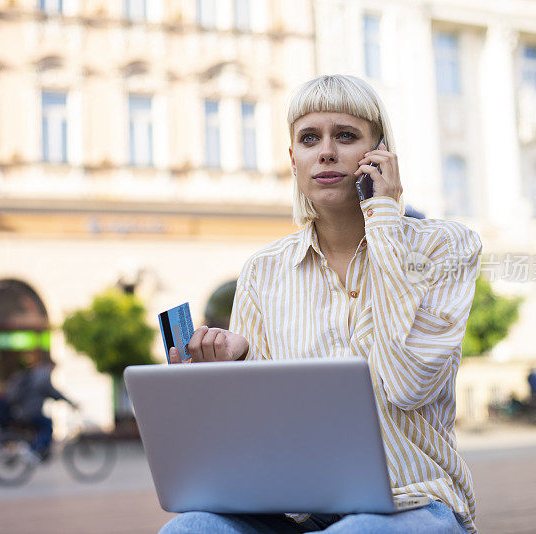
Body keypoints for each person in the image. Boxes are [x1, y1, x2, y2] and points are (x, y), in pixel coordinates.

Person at [162, 74, 481, 534]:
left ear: (381, 155)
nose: (326, 151)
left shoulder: (445, 247)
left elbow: (407, 384)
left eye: (346, 136)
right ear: (294, 160)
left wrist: (384, 217)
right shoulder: (263, 270)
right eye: (309, 138)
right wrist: (238, 363)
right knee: (188, 528)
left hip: (411, 503)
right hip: (296, 510)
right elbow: (260, 430)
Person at [3, 352, 77, 459]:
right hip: (31, 411)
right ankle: (32, 450)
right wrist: (70, 402)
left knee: (39, 428)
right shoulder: (43, 376)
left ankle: (36, 450)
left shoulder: (35, 374)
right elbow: (54, 393)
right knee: (48, 426)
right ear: (50, 366)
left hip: (22, 410)